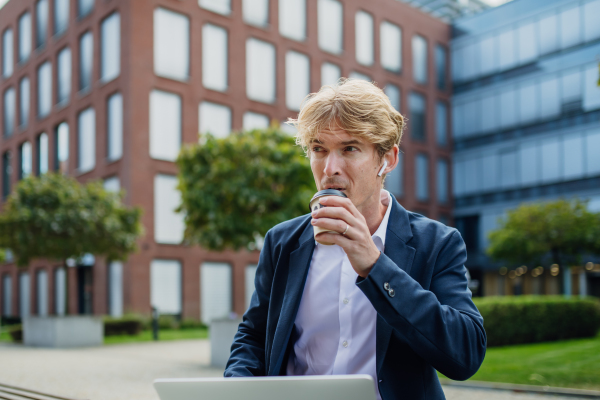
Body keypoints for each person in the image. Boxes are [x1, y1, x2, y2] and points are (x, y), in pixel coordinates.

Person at [224, 79, 486, 400]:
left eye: (349, 148)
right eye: (319, 149)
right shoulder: (282, 241)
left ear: (387, 159)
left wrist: (374, 265)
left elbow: (466, 356)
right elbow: (253, 336)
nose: (330, 169)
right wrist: (235, 389)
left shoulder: (438, 243)